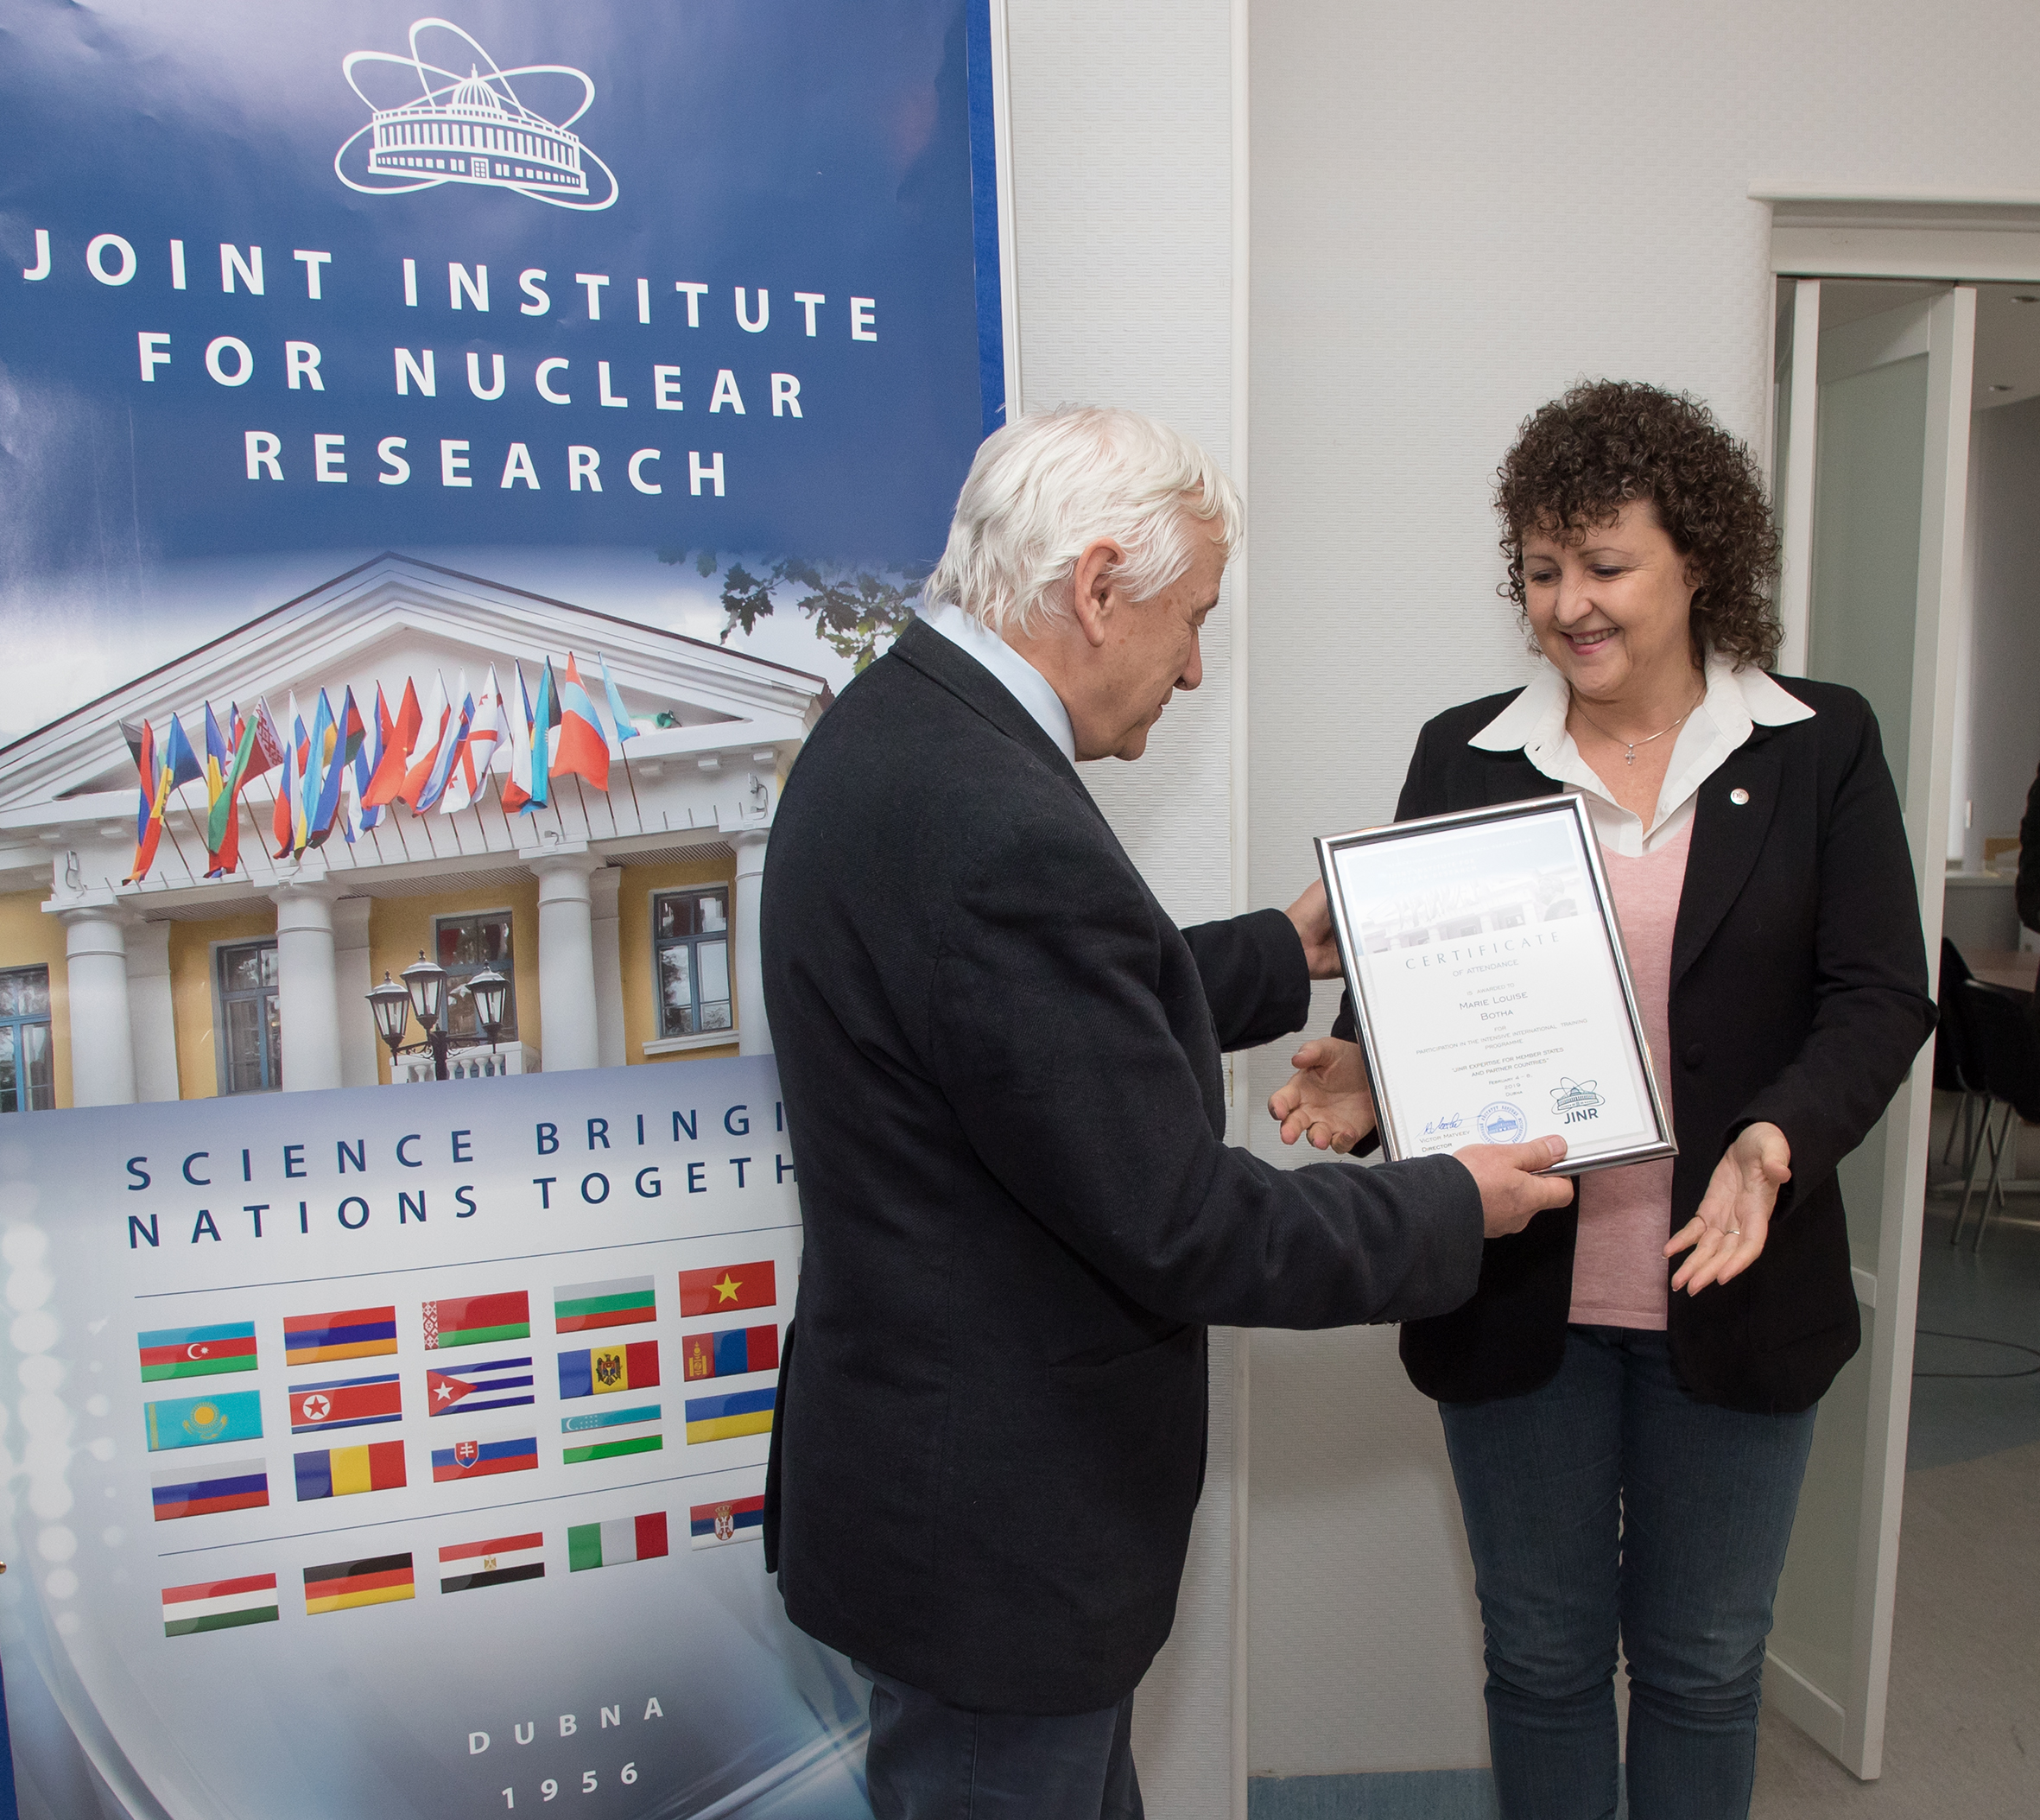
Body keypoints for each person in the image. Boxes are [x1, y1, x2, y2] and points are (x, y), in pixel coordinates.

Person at [760, 406, 1574, 1819]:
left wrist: (1283, 951)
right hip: (999, 1547)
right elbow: (1185, 1224)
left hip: (943, 1496)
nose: (1195, 666)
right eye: (1192, 619)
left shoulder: (897, 730)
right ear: (1094, 588)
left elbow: (1029, 1033)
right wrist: (1451, 1199)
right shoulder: (996, 821)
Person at [1272, 381, 1935, 1820]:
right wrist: (1368, 1078)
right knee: (1541, 1658)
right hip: (1518, 1297)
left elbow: (1880, 993)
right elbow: (1416, 985)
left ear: (1697, 559)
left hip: (1735, 1284)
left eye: (1604, 565)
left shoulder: (1817, 744)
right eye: (1539, 569)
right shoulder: (1466, 753)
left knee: (1702, 1665)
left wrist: (1773, 1141)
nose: (1567, 603)